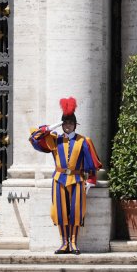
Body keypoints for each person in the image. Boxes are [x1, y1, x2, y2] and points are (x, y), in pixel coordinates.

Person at [29, 96, 102, 254]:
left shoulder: (83, 141)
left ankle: (74, 243)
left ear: (75, 124)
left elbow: (91, 163)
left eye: (70, 122)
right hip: (59, 179)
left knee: (76, 212)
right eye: (65, 123)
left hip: (77, 179)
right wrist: (53, 126)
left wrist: (90, 181)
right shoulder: (55, 140)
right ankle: (64, 243)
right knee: (60, 212)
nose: (68, 125)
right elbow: (34, 137)